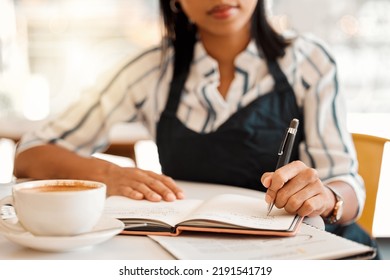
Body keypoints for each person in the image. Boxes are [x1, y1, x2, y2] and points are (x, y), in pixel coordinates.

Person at [14, 0, 380, 258]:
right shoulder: (150, 70)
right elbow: (31, 151)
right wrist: (106, 174)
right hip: (193, 253)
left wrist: (328, 198)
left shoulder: (309, 62)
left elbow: (345, 184)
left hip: (302, 253)